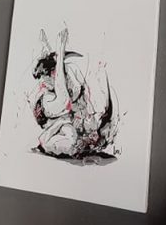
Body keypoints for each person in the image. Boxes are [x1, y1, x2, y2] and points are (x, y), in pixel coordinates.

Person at [30, 28, 118, 161]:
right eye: (43, 80)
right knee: (71, 139)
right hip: (58, 128)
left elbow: (77, 96)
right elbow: (65, 101)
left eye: (45, 79)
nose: (43, 83)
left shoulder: (69, 74)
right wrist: (60, 53)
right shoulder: (48, 99)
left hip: (73, 125)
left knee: (76, 133)